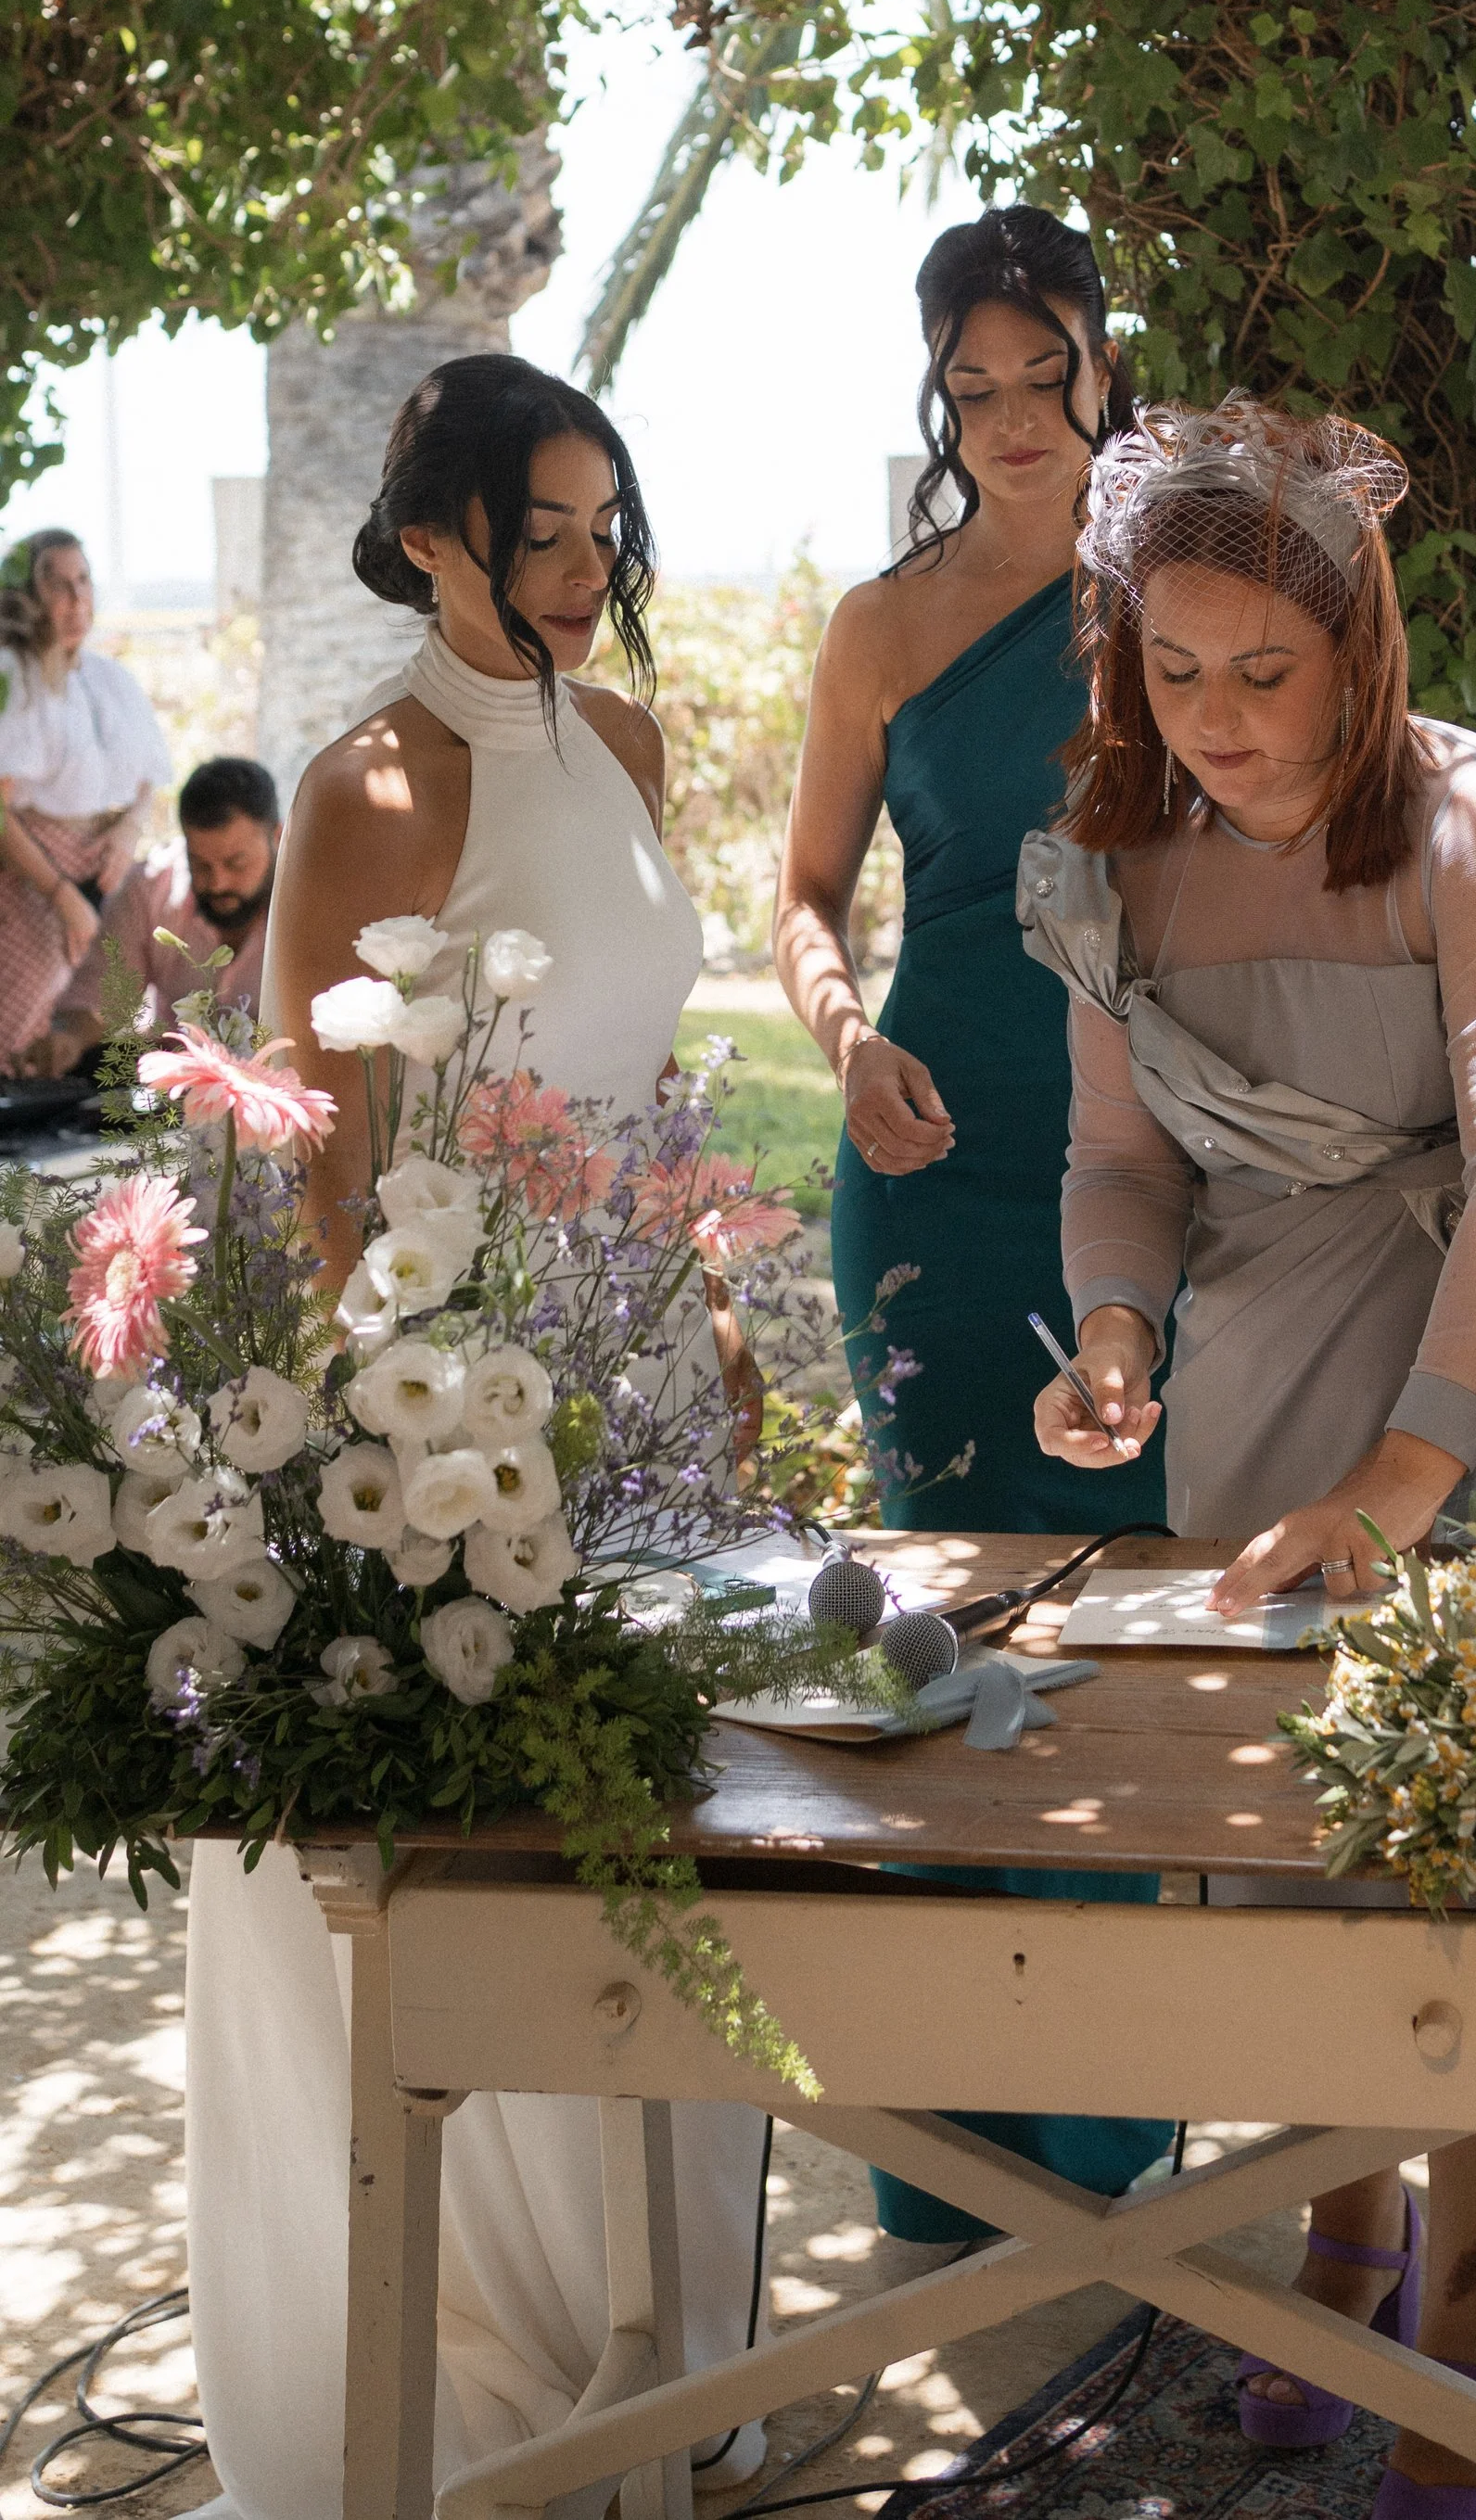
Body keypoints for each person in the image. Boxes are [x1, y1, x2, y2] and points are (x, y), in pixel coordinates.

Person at [183, 354, 771, 2520]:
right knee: (509, 1844)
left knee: (669, 1832)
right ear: (431, 532)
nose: (592, 564)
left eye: (608, 521)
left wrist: (703, 1284)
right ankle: (505, 2389)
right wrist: (415, 1428)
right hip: (459, 1383)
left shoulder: (621, 732)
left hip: (644, 1360)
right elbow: (333, 1166)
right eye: (547, 527)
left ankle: (658, 2355)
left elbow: (641, 1060)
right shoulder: (371, 781)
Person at [1024, 396, 1476, 2520]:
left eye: (1264, 671)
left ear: (1362, 650)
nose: (1219, 717)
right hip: (1253, 1382)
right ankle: (1336, 2244)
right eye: (1173, 669)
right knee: (1302, 1879)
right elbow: (1114, 1158)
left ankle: (1462, 2348)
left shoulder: (1472, 824)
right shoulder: (1113, 844)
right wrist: (1107, 1328)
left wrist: (1406, 1473)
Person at [777, 205, 1169, 2251]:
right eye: (974, 382)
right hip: (926, 1148)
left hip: (1155, 1162)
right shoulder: (880, 623)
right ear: (938, 391)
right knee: (940, 1624)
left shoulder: (1192, 586)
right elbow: (802, 895)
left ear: (1106, 358)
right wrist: (840, 1036)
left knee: (1121, 1627)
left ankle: (1113, 2151)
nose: (1012, 416)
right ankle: (944, 2169)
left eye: (1047, 370)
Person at [0, 528, 171, 1067]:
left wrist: (128, 830)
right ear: (29, 594)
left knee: (100, 1020)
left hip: (109, 874)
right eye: (57, 585)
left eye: (84, 580)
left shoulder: (107, 678)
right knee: (23, 1034)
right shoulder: (15, 677)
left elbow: (147, 780)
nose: (76, 600)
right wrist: (62, 897)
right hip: (34, 877)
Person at [45, 753, 278, 1067]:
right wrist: (69, 1040)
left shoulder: (313, 900)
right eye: (200, 864)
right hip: (176, 1087)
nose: (218, 883)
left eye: (237, 863)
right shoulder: (149, 889)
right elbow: (100, 1001)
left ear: (277, 837)